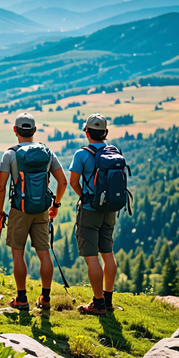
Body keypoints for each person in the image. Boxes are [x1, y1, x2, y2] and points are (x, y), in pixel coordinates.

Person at [0, 112, 67, 310]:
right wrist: (56, 205)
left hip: (19, 208)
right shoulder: (47, 152)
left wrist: (0, 212)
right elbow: (62, 181)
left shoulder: (10, 154)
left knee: (18, 253)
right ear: (34, 131)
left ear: (15, 131)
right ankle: (45, 298)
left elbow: (1, 187)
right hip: (42, 209)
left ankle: (22, 299)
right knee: (44, 253)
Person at [69, 114, 117, 316]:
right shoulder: (114, 152)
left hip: (90, 211)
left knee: (91, 258)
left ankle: (97, 304)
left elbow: (73, 182)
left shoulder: (81, 154)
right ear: (105, 133)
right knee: (108, 254)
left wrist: (85, 197)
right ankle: (107, 300)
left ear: (87, 132)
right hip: (110, 209)